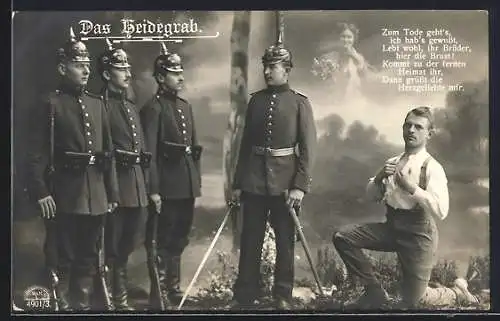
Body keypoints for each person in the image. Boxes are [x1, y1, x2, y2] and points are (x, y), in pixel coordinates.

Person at [332, 106, 479, 310]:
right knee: (343, 236)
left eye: (418, 127)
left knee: (414, 302)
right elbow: (370, 196)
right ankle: (374, 292)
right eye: (408, 125)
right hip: (392, 228)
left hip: (418, 236)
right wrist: (380, 176)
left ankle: (456, 292)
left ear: (429, 134)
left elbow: (441, 211)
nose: (411, 130)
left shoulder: (432, 167)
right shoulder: (392, 162)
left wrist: (412, 188)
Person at [25, 28, 119, 311]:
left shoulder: (97, 103)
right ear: (62, 68)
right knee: (62, 254)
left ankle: (83, 304)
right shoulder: (50, 104)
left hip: (96, 193)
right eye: (79, 66)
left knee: (89, 255)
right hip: (64, 193)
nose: (85, 71)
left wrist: (111, 192)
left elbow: (109, 152)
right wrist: (41, 191)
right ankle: (62, 306)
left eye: (87, 65)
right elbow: (35, 154)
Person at [230, 29, 317, 310]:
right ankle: (245, 296)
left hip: (285, 183)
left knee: (285, 244)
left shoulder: (299, 103)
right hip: (254, 181)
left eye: (273, 67)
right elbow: (245, 146)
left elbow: (307, 149)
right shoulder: (255, 101)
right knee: (251, 240)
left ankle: (282, 295)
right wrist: (238, 182)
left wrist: (299, 186)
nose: (267, 72)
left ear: (287, 70)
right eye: (265, 66)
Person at [140, 42, 202, 308]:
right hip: (166, 186)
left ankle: (173, 287)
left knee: (180, 237)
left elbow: (193, 148)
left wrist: (195, 183)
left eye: (181, 72)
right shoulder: (153, 109)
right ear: (160, 78)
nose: (181, 77)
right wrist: (153, 190)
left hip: (186, 186)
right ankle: (160, 291)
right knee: (162, 239)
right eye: (174, 73)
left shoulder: (185, 107)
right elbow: (149, 153)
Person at [96, 39, 149, 310]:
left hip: (136, 183)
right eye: (121, 68)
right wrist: (111, 190)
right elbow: (105, 152)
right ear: (107, 74)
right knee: (112, 244)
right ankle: (116, 299)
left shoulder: (130, 106)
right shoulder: (100, 106)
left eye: (128, 67)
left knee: (129, 241)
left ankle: (119, 293)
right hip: (115, 184)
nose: (128, 73)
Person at [311, 22, 370, 102]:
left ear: (354, 39)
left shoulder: (360, 58)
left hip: (355, 99)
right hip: (334, 100)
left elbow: (366, 81)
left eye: (349, 37)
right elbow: (320, 81)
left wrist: (357, 60)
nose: (346, 40)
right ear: (338, 38)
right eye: (343, 37)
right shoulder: (329, 57)